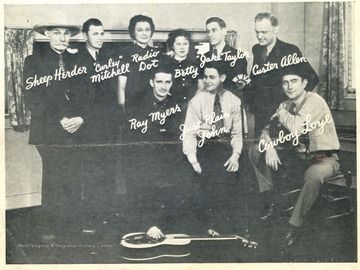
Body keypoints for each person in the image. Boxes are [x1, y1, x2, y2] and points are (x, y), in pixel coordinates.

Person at [248, 63, 340, 246]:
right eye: (285, 83)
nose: (289, 86)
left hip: (324, 158)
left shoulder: (315, 101)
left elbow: (297, 128)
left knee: (312, 175)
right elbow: (266, 131)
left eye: (294, 81)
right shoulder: (285, 104)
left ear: (304, 83)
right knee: (255, 150)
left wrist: (281, 114)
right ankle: (270, 199)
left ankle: (294, 226)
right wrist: (270, 147)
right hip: (297, 159)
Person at [23, 22, 86, 238]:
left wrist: (80, 118)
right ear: (47, 34)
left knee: (73, 175)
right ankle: (51, 228)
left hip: (75, 129)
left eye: (66, 34)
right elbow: (33, 99)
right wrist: (60, 119)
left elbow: (87, 95)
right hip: (48, 130)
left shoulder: (77, 61)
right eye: (57, 33)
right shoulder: (33, 62)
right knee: (54, 175)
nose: (62, 37)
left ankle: (73, 228)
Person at [180, 61, 243, 233]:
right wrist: (193, 160)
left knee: (243, 179)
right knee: (209, 180)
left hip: (227, 148)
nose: (207, 81)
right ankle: (210, 227)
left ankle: (234, 230)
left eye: (212, 77)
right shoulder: (197, 101)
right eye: (205, 77)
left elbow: (237, 133)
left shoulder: (234, 101)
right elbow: (189, 133)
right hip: (205, 147)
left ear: (222, 78)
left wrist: (236, 155)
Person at [247, 12, 319, 138]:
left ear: (275, 29)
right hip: (261, 114)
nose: (259, 36)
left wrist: (293, 103)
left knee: (280, 154)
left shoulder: (290, 50)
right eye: (257, 32)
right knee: (260, 151)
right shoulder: (256, 50)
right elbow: (256, 78)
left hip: (282, 115)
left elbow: (312, 78)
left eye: (264, 32)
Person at [77, 18, 122, 143]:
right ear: (85, 36)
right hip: (87, 124)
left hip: (108, 123)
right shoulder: (76, 60)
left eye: (102, 34)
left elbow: (113, 93)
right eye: (95, 34)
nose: (100, 38)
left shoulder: (108, 60)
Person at [118, 14, 164, 120]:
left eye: (147, 29)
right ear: (133, 32)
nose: (144, 33)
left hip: (155, 106)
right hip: (133, 106)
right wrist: (122, 112)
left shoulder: (158, 54)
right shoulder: (125, 54)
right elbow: (121, 87)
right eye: (140, 30)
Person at [201, 17, 248, 97]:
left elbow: (241, 87)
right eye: (208, 31)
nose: (210, 34)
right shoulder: (204, 57)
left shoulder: (237, 55)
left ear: (223, 31)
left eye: (214, 30)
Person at [165, 29, 204, 111]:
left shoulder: (197, 64)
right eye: (178, 44)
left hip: (194, 107)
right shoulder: (166, 65)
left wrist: (192, 102)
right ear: (172, 45)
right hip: (171, 108)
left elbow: (201, 86)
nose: (182, 47)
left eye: (185, 44)